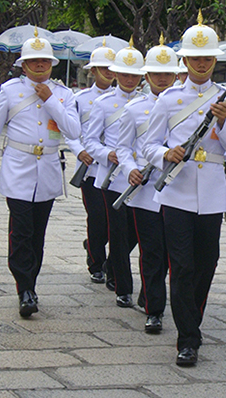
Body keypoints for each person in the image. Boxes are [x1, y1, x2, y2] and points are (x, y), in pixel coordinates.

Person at [143, 11, 226, 366]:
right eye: (195, 58)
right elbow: (148, 145)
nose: (201, 63)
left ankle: (191, 320)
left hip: (212, 193)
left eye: (207, 58)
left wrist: (224, 121)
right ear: (184, 59)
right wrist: (164, 153)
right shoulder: (168, 99)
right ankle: (188, 338)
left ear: (215, 60)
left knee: (207, 263)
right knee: (181, 265)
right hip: (177, 191)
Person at [0, 29, 81, 318]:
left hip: (48, 171)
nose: (40, 66)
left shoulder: (64, 94)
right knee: (21, 232)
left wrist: (51, 99)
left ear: (52, 64)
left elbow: (74, 130)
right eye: (34, 62)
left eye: (45, 61)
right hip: (18, 170)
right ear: (23, 64)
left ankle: (31, 283)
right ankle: (24, 288)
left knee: (37, 235)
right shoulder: (9, 91)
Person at [116, 36, 179, 333]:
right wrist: (129, 168)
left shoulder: (187, 105)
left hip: (178, 191)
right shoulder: (134, 109)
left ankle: (154, 294)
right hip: (145, 191)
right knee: (152, 251)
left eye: (168, 74)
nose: (163, 79)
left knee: (171, 254)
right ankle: (155, 309)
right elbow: (124, 147)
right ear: (147, 76)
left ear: (177, 74)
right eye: (156, 74)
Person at [83, 38, 144, 308]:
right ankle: (123, 286)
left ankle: (112, 266)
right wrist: (106, 154)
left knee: (135, 232)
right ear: (116, 74)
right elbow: (90, 140)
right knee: (118, 232)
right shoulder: (104, 103)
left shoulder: (148, 101)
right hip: (114, 177)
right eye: (125, 74)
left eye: (135, 75)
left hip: (141, 177)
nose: (129, 80)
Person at [65, 40, 116, 284]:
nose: (108, 72)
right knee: (97, 217)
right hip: (92, 168)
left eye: (111, 67)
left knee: (115, 220)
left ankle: (106, 254)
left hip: (117, 169)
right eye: (102, 67)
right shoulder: (80, 99)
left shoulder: (128, 98)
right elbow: (69, 131)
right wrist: (79, 150)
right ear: (92, 71)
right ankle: (96, 261)